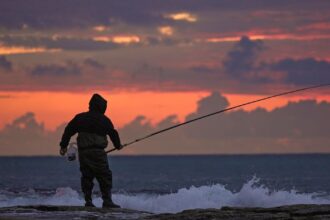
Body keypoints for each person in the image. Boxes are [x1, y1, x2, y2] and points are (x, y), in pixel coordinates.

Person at [59, 93, 123, 208]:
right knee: (105, 176)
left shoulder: (80, 118)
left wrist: (63, 146)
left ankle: (88, 201)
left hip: (83, 153)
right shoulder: (105, 120)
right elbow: (113, 134)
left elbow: (68, 130)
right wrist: (118, 146)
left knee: (87, 176)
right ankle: (107, 201)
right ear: (101, 107)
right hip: (98, 153)